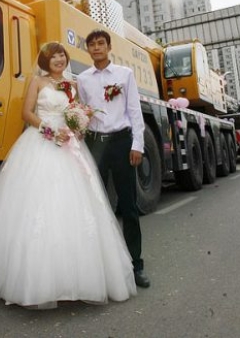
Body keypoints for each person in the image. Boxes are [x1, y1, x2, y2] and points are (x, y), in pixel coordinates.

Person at [0, 41, 136, 309]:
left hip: (68, 146)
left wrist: (75, 129)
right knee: (37, 206)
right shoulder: (37, 82)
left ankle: (78, 279)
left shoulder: (72, 85)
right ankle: (35, 282)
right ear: (45, 60)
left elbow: (77, 115)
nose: (59, 59)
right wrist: (50, 132)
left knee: (75, 206)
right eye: (54, 56)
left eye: (62, 55)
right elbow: (26, 113)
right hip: (41, 142)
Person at [77, 29, 150, 289]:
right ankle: (102, 268)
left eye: (100, 43)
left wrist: (137, 145)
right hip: (94, 144)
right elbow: (84, 113)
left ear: (109, 47)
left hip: (121, 142)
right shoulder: (83, 79)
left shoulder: (124, 75)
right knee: (96, 206)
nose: (96, 48)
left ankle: (136, 265)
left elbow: (134, 111)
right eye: (92, 44)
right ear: (88, 49)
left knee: (128, 206)